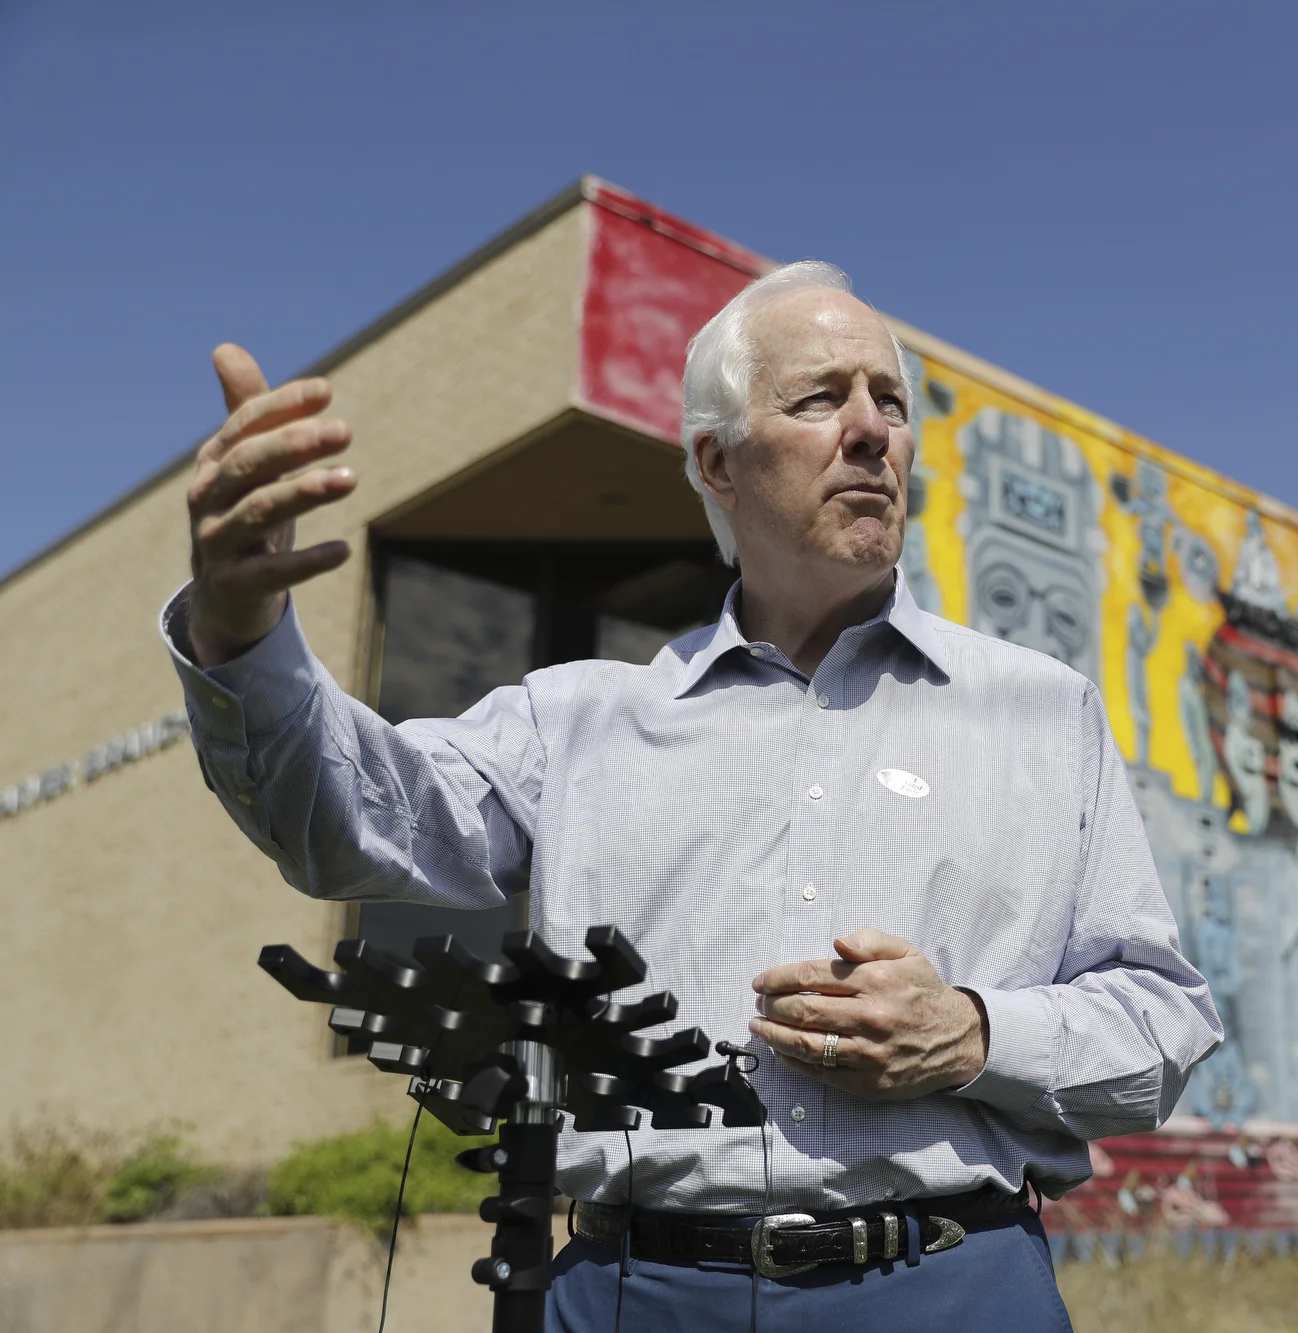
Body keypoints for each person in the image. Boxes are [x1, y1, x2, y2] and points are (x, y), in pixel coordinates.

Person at [163, 260, 1222, 1331]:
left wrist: (975, 1033)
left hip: (951, 1284)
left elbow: (1164, 1024)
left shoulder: (1043, 711)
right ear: (716, 461)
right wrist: (240, 634)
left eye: (889, 402)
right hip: (635, 1292)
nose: (871, 431)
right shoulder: (572, 719)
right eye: (820, 397)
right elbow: (345, 828)